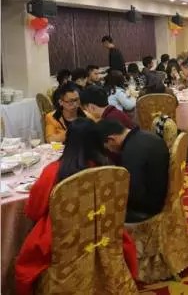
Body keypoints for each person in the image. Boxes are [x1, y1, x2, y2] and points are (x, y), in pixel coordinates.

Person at [14, 119, 138, 294]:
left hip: (64, 238)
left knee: (27, 255)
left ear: (68, 142)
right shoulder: (110, 169)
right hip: (103, 232)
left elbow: (34, 211)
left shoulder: (54, 172)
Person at [97, 119, 170, 223]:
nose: (110, 151)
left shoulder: (131, 152)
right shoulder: (148, 136)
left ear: (111, 139)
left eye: (107, 147)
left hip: (148, 208)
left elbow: (135, 194)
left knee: (101, 211)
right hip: (162, 194)